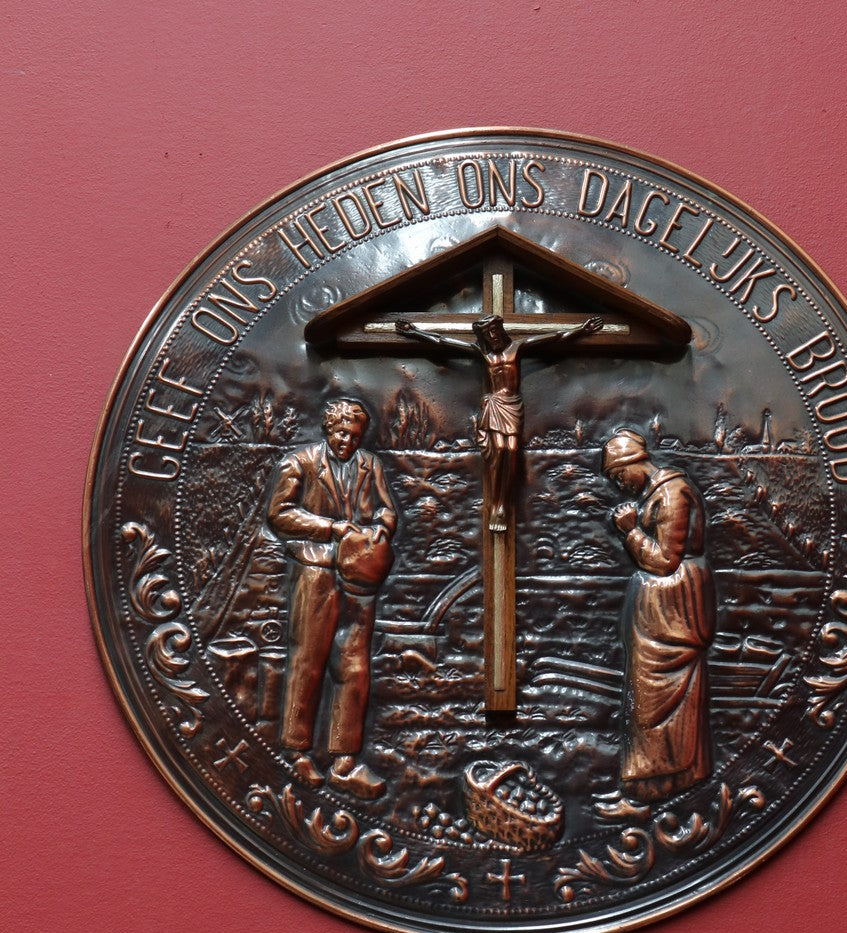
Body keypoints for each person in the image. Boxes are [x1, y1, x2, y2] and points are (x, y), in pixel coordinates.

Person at [268, 398, 397, 797]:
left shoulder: (370, 465)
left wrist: (381, 528)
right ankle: (297, 753)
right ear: (328, 429)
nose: (348, 442)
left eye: (355, 436)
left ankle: (344, 762)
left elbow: (387, 509)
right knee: (308, 658)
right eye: (342, 433)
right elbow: (279, 513)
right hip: (316, 571)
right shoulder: (300, 463)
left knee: (354, 666)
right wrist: (330, 528)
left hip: (359, 575)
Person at [396, 314, 602, 532]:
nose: (492, 337)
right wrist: (414, 332)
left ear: (501, 331)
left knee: (511, 450)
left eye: (494, 332)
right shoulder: (483, 354)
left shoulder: (517, 348)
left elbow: (555, 337)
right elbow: (443, 341)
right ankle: (496, 504)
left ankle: (504, 500)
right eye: (487, 335)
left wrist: (582, 330)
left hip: (512, 405)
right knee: (498, 452)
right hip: (494, 405)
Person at [601, 428, 715, 805]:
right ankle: (650, 785)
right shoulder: (655, 494)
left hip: (674, 615)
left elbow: (666, 561)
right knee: (646, 697)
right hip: (659, 616)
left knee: (660, 699)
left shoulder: (672, 494)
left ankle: (665, 782)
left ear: (635, 461)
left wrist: (630, 532)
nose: (620, 485)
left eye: (619, 475)